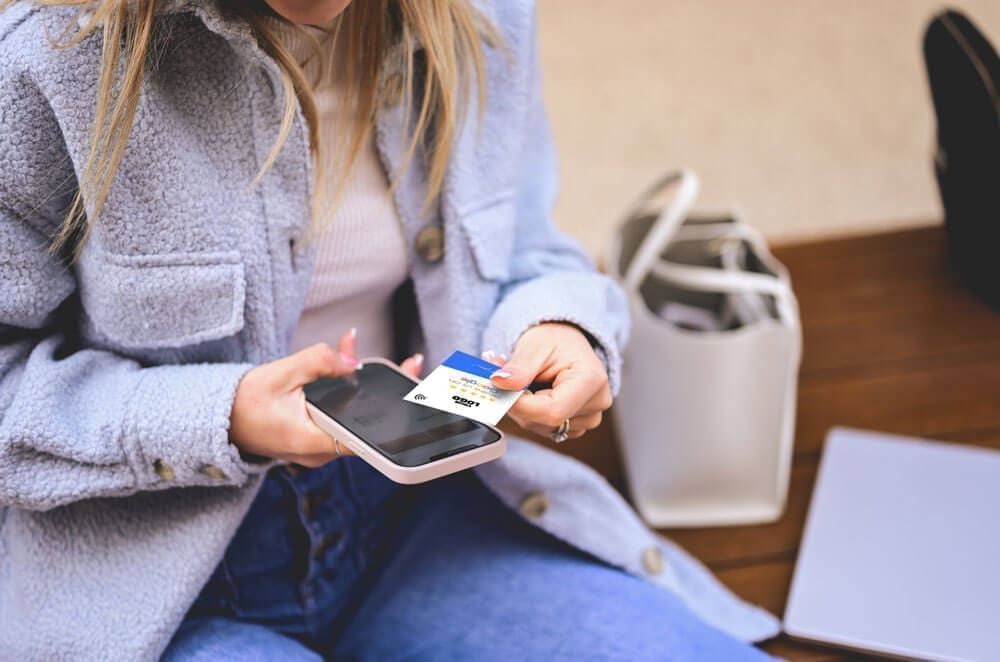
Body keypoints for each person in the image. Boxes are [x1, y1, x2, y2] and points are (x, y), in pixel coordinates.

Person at [0, 0, 778, 659]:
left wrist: (557, 327)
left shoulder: (480, 18)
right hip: (154, 585)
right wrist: (220, 417)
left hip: (417, 513)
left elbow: (527, 245)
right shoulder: (54, 56)